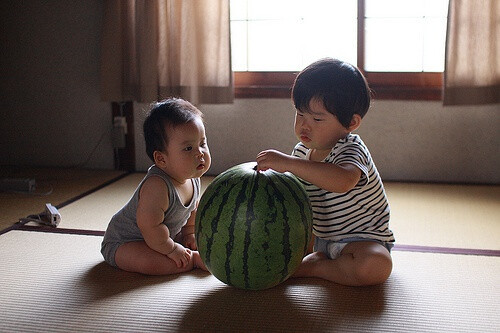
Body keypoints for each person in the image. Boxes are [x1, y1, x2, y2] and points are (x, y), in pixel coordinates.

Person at [256, 58, 395, 286]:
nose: (304, 125)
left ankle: (316, 267)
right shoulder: (301, 152)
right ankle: (318, 260)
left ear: (351, 122)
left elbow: (343, 181)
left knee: (376, 266)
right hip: (320, 238)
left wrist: (289, 164)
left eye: (317, 119)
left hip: (361, 241)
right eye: (300, 114)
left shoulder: (351, 149)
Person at [101, 98, 210, 275]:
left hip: (161, 238)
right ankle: (192, 261)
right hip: (127, 242)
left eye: (202, 144)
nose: (200, 153)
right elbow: (150, 226)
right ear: (161, 159)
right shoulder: (157, 186)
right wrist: (173, 250)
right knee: (153, 263)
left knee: (199, 239)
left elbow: (192, 210)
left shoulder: (192, 177)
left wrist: (189, 233)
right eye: (188, 148)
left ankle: (178, 249)